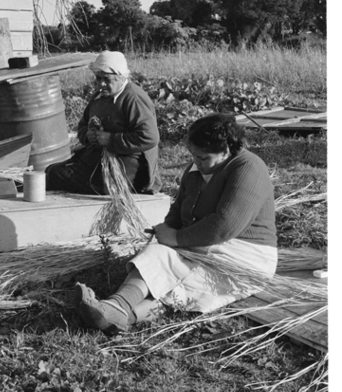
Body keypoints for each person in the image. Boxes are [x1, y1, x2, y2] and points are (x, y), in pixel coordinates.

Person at [74, 113, 277, 334]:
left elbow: (225, 225)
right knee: (158, 254)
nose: (196, 162)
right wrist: (166, 232)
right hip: (202, 243)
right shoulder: (196, 169)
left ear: (226, 151)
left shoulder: (248, 167)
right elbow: (180, 209)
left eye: (203, 158)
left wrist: (177, 238)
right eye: (193, 155)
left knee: (184, 282)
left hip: (244, 255)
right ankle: (117, 307)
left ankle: (120, 315)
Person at [45, 51, 160, 195]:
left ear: (121, 76)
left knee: (57, 177)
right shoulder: (99, 97)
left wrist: (111, 139)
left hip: (128, 167)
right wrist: (88, 135)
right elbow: (83, 125)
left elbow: (149, 137)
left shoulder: (133, 99)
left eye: (106, 79)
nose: (101, 84)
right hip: (98, 159)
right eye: (98, 79)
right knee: (51, 170)